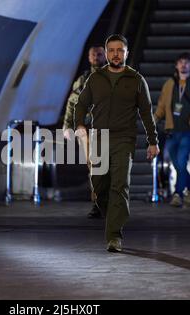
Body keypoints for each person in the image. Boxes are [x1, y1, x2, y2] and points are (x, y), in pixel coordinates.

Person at [74, 34, 159, 252]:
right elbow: (81, 105)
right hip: (99, 138)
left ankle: (114, 235)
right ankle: (113, 215)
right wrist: (80, 125)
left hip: (124, 139)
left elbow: (147, 113)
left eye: (120, 50)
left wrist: (153, 141)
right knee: (100, 186)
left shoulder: (137, 80)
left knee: (119, 185)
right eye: (111, 50)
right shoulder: (95, 79)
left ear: (126, 53)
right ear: (106, 52)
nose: (115, 54)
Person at [154, 52, 190, 207]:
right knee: (178, 163)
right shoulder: (169, 84)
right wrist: (152, 121)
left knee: (181, 160)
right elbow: (161, 106)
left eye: (186, 62)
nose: (183, 65)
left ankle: (177, 194)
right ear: (176, 65)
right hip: (172, 130)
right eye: (180, 62)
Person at [62, 46, 106, 219]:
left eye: (100, 54)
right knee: (94, 168)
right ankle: (98, 204)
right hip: (88, 129)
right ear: (89, 58)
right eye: (93, 54)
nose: (96, 57)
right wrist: (67, 126)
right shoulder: (83, 79)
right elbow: (72, 102)